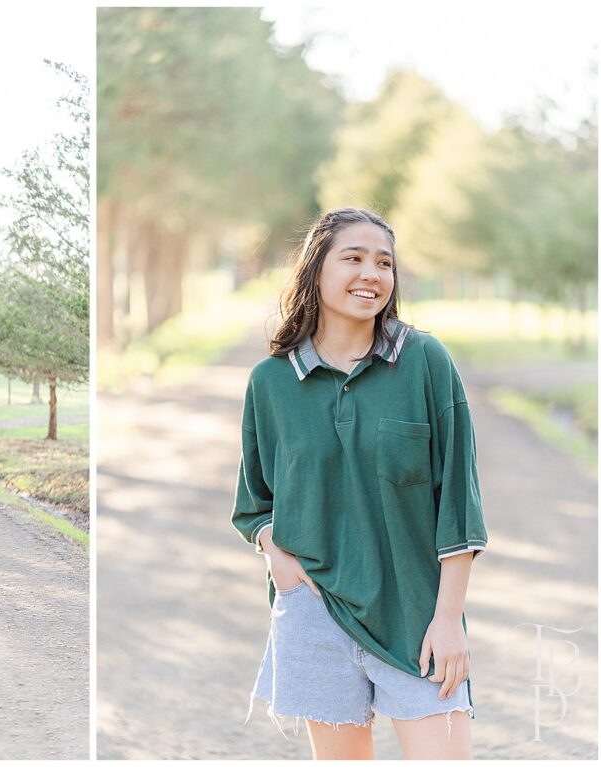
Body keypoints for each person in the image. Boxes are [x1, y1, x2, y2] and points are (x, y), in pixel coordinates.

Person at [232, 208, 488, 759]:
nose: (371, 273)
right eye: (353, 258)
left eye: (384, 263)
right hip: (316, 613)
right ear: (316, 270)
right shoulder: (272, 382)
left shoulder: (424, 361)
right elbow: (254, 503)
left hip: (418, 620)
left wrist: (448, 621)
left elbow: (459, 508)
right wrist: (275, 550)